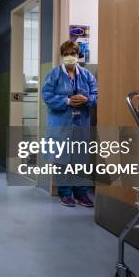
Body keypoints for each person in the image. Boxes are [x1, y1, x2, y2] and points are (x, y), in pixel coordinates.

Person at [42, 40, 98, 207]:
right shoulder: (54, 75)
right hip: (60, 123)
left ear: (78, 55)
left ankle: (81, 193)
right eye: (66, 55)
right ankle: (65, 193)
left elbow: (98, 96)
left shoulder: (87, 76)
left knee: (80, 159)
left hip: (81, 123)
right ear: (62, 56)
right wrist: (66, 101)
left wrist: (87, 99)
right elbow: (46, 95)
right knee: (62, 159)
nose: (69, 57)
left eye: (73, 54)